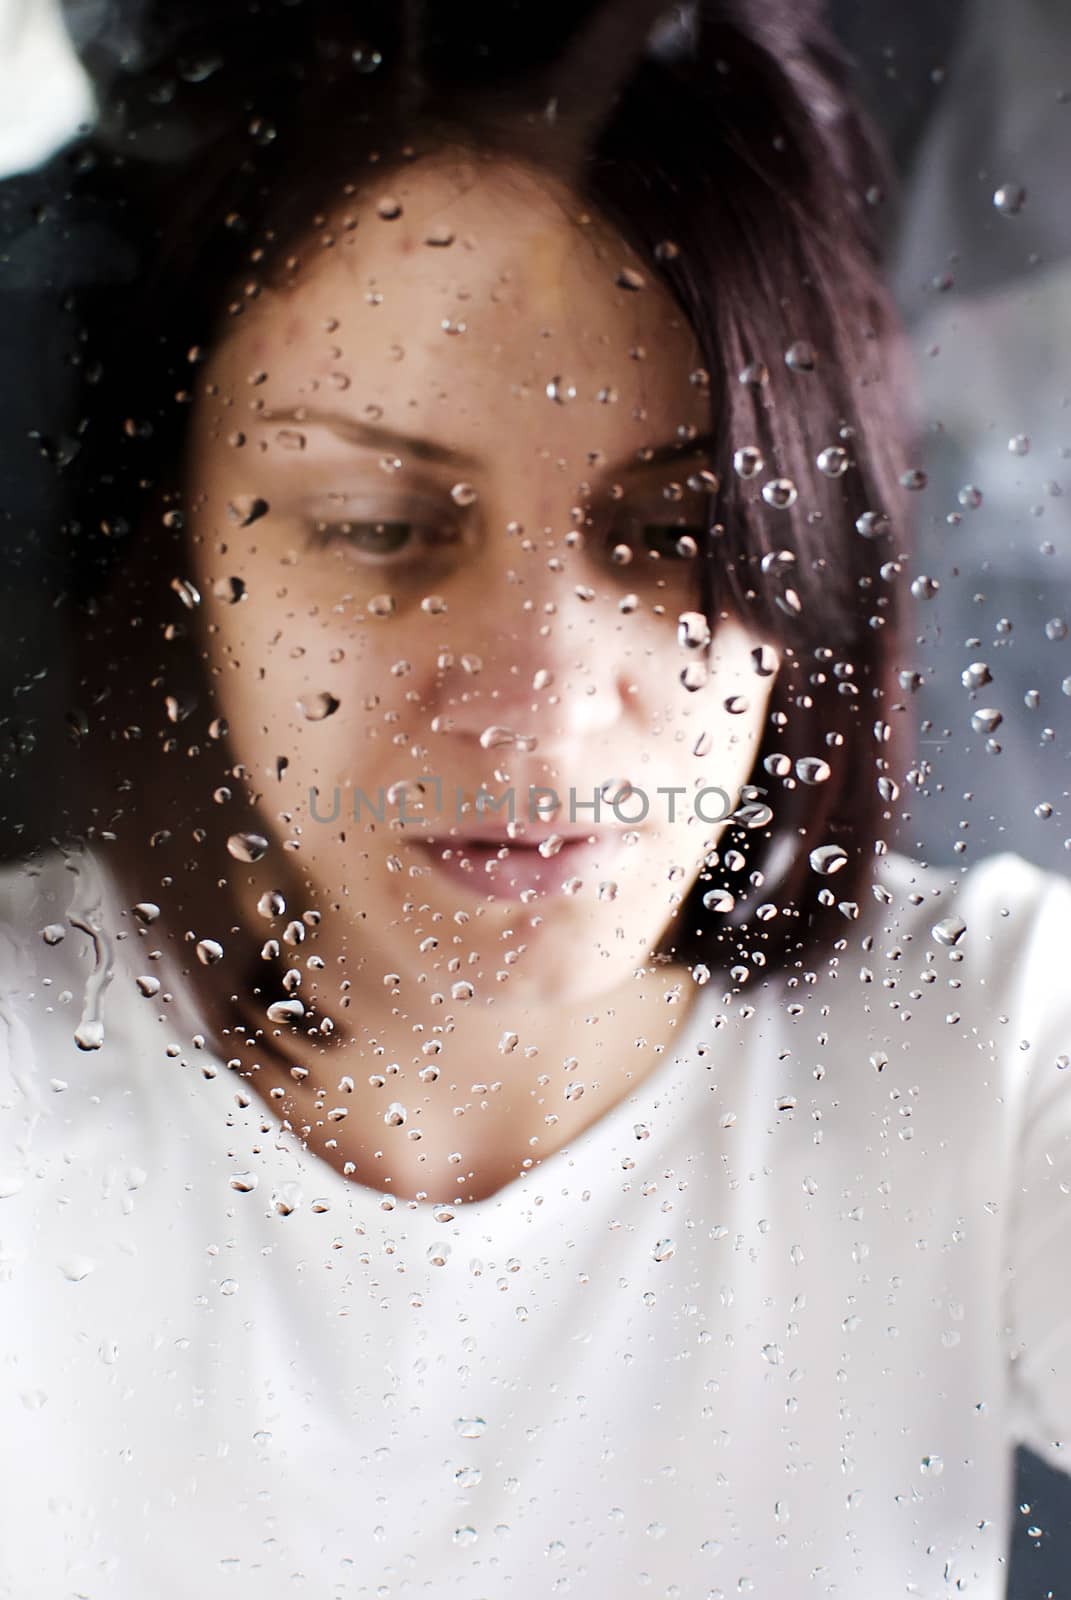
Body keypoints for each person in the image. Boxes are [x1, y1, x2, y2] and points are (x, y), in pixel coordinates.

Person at [2, 2, 1070, 1594]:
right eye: (377, 528)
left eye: (674, 536)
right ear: (183, 568)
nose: (544, 702)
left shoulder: (992, 1059)